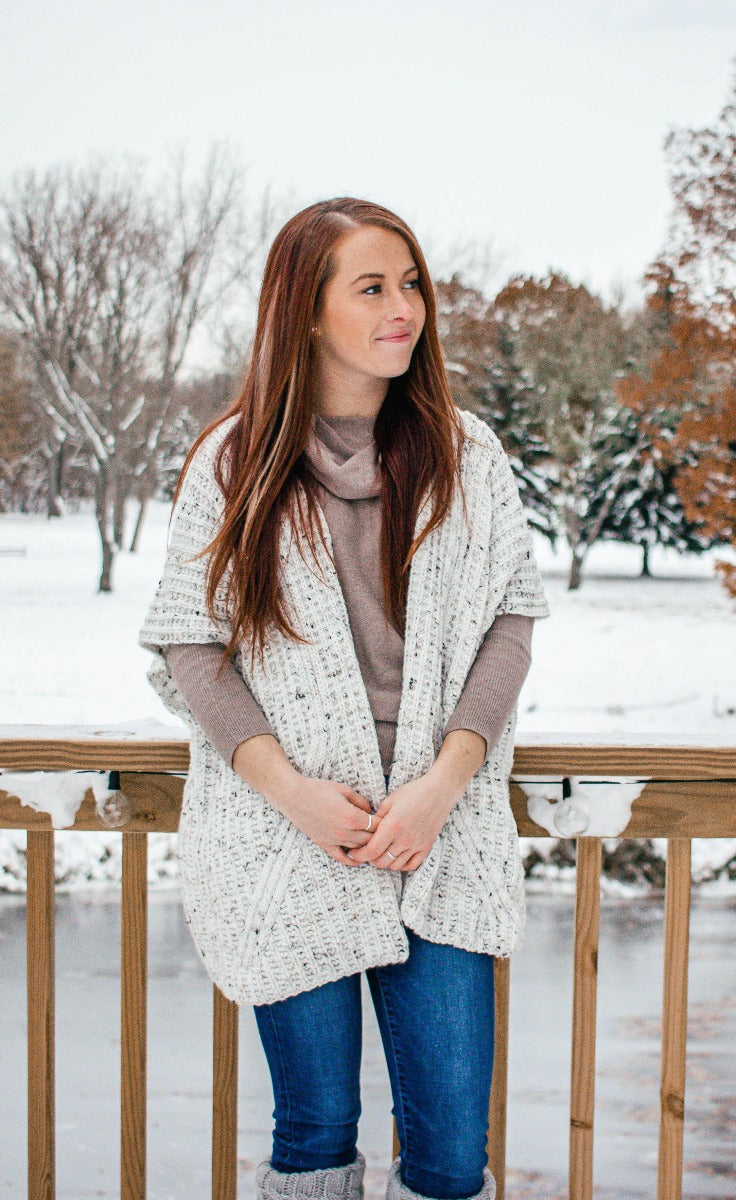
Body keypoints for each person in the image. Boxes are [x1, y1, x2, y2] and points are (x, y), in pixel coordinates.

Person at [138, 197, 550, 1200]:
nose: (403, 307)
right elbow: (192, 644)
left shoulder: (467, 454)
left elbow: (510, 622)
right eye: (371, 288)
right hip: (292, 840)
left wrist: (443, 785)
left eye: (410, 284)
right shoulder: (233, 462)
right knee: (315, 1130)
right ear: (307, 311)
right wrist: (292, 793)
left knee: (450, 1151)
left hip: (438, 835)